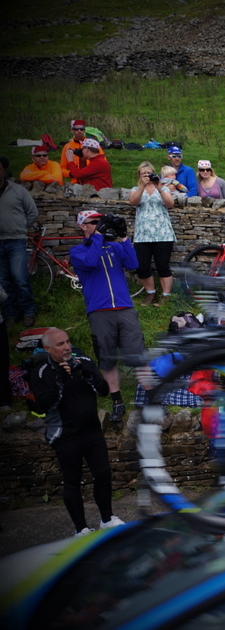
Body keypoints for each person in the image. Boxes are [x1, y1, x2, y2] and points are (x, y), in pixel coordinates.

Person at [27, 327, 126, 537]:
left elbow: (103, 390)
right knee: (73, 481)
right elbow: (44, 405)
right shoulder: (42, 370)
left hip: (91, 430)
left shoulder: (83, 360)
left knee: (103, 474)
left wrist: (89, 374)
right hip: (66, 434)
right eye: (60, 344)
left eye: (68, 341)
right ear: (47, 348)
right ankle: (80, 529)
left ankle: (107, 520)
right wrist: (60, 381)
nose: (67, 347)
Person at [69, 209, 144, 425]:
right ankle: (117, 401)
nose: (100, 226)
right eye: (95, 222)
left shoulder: (114, 246)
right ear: (83, 226)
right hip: (99, 311)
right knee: (107, 359)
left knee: (139, 355)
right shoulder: (77, 251)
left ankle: (151, 400)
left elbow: (133, 264)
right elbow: (92, 262)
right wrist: (99, 237)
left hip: (125, 307)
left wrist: (123, 237)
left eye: (101, 222)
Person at [128, 161, 176, 307]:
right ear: (139, 176)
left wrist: (159, 187)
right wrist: (143, 186)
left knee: (163, 266)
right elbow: (133, 202)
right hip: (143, 234)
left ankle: (166, 296)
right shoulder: (136, 189)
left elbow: (170, 204)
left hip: (162, 233)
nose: (147, 176)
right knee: (141, 266)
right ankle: (150, 292)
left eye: (149, 173)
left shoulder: (163, 189)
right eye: (144, 174)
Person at [0, 156, 39, 326]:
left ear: (3, 171)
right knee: (2, 281)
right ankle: (10, 314)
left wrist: (21, 227)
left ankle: (28, 312)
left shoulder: (17, 190)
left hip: (15, 240)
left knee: (20, 278)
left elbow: (32, 212)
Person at [60, 119, 103, 184]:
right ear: (72, 131)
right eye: (76, 129)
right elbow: (62, 168)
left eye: (81, 129)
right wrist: (70, 174)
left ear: (84, 130)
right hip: (75, 181)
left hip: (92, 180)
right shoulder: (67, 147)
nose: (79, 131)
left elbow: (102, 162)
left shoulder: (93, 144)